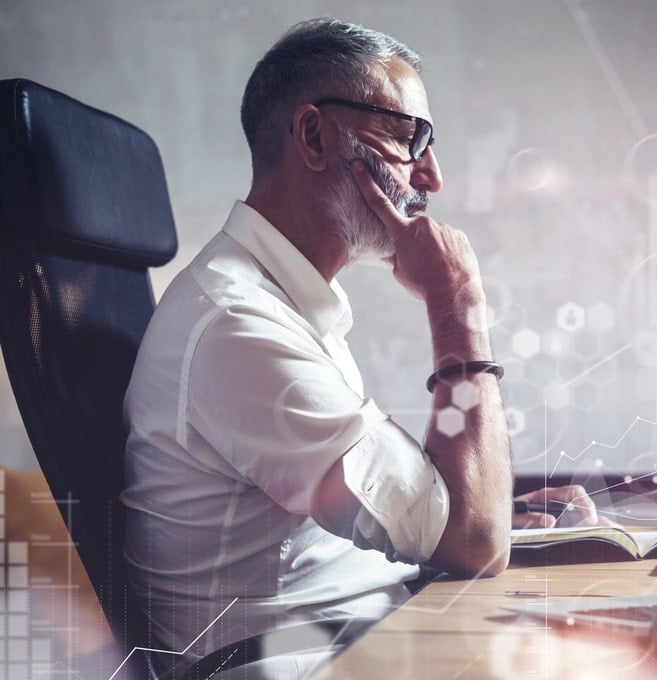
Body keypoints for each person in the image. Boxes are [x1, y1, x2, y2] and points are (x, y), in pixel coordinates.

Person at [121, 18, 598, 674]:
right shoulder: (237, 323)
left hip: (359, 636)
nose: (429, 177)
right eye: (411, 139)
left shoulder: (283, 306)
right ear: (314, 136)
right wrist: (456, 304)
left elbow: (440, 519)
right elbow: (476, 541)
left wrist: (482, 505)